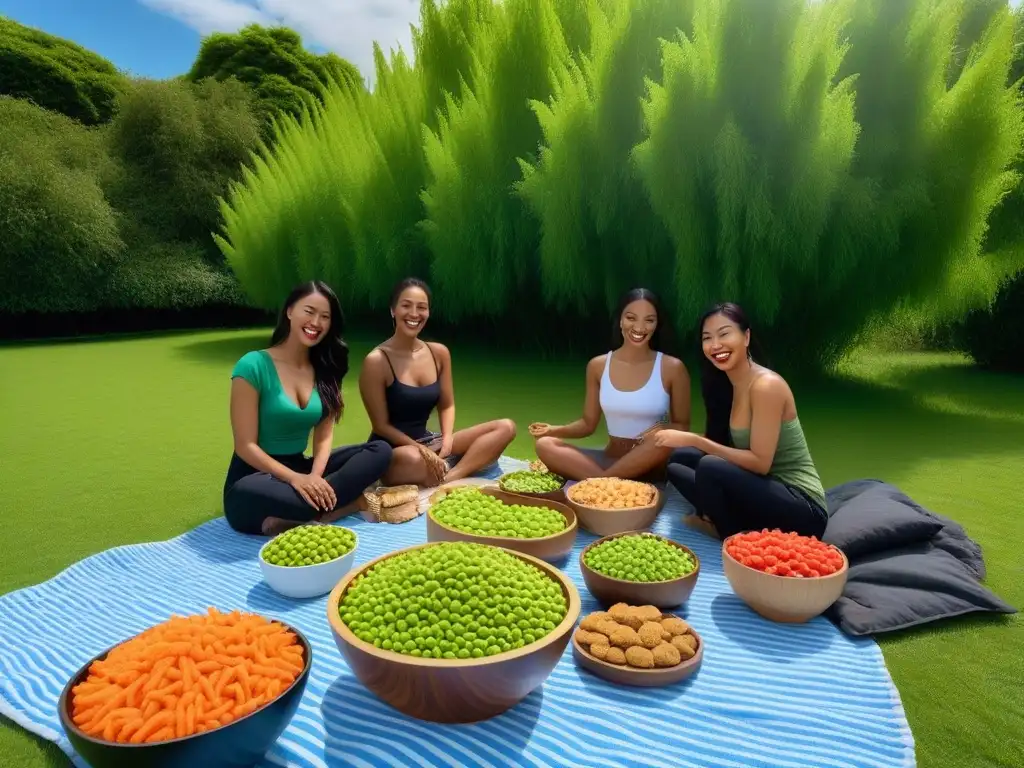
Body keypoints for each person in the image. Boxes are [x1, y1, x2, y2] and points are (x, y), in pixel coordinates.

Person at [223, 281, 393, 536]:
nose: (316, 322)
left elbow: (324, 437)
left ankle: (298, 515)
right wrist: (296, 480)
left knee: (380, 450)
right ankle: (336, 506)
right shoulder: (253, 365)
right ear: (290, 311)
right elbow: (245, 446)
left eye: (325, 316)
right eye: (309, 311)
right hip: (255, 478)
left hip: (301, 467)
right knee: (295, 500)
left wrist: (314, 476)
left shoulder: (325, 371)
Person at [655, 302, 828, 540]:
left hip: (802, 507)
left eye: (724, 334)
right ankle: (735, 520)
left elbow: (760, 463)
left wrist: (695, 439)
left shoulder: (766, 386)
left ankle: (728, 531)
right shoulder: (728, 385)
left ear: (746, 337)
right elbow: (726, 447)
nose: (715, 345)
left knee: (709, 466)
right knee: (679, 461)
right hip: (761, 487)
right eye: (707, 338)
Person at [358, 277, 516, 487]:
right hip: (395, 450)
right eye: (406, 306)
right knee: (414, 459)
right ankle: (454, 466)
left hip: (430, 441)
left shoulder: (439, 353)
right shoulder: (376, 361)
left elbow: (447, 404)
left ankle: (451, 476)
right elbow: (381, 425)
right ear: (392, 310)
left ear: (428, 312)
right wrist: (420, 450)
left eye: (421, 307)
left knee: (505, 427)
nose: (414, 314)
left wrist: (448, 438)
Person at [529, 288, 691, 481]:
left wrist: (658, 430)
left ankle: (600, 483)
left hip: (649, 462)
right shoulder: (598, 366)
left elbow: (682, 426)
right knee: (545, 445)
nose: (639, 327)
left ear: (657, 324)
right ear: (620, 320)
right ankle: (608, 482)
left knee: (664, 438)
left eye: (649, 320)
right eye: (631, 318)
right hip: (609, 459)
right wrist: (552, 430)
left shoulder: (672, 367)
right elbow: (588, 424)